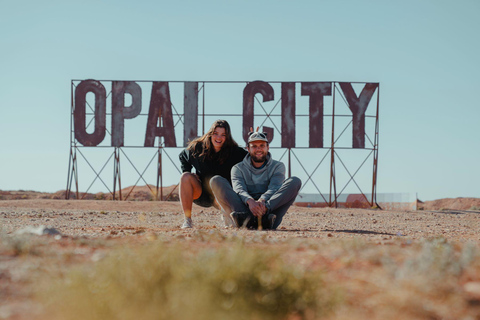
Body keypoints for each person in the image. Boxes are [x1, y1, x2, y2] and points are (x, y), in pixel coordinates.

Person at [210, 131, 301, 230]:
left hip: (270, 215)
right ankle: (245, 220)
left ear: (268, 147)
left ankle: (266, 219)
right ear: (248, 149)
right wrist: (250, 201)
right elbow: (239, 189)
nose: (258, 149)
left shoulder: (278, 166)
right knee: (215, 181)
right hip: (244, 212)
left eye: (262, 145)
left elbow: (274, 187)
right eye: (254, 146)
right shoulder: (238, 168)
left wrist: (263, 203)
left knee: (295, 181)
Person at [178, 120, 247, 228]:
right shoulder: (198, 147)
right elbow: (183, 156)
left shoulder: (235, 152)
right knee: (185, 177)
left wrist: (254, 139)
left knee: (218, 183)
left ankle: (227, 217)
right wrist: (187, 170)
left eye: (223, 135)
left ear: (227, 137)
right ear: (210, 134)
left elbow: (250, 158)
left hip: (222, 197)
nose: (218, 138)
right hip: (201, 194)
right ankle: (187, 220)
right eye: (216, 134)